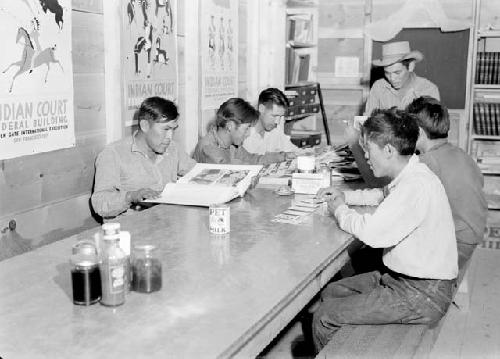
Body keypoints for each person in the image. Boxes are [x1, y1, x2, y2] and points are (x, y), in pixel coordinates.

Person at [312, 108, 458, 352]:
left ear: (389, 150)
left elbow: (371, 233)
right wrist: (345, 195)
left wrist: (339, 209)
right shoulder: (411, 172)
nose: (366, 157)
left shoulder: (415, 185)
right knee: (333, 291)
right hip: (405, 280)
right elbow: (382, 195)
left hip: (423, 293)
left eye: (368, 150)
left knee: (325, 316)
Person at [407, 96, 487, 268]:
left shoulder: (427, 162)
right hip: (471, 237)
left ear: (419, 132)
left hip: (454, 243)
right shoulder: (461, 154)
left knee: (377, 253)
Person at [348, 41, 440, 187]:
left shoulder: (428, 89)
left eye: (397, 72)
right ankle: (379, 189)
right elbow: (368, 123)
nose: (392, 78)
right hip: (386, 149)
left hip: (415, 150)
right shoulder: (379, 87)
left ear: (410, 66)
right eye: (387, 73)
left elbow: (430, 136)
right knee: (353, 134)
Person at [91, 97, 196, 219]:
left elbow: (196, 173)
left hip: (168, 224)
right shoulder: (113, 154)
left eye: (173, 129)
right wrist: (130, 196)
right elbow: (99, 203)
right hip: (130, 231)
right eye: (166, 129)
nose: (170, 136)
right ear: (145, 125)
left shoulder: (173, 148)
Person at [193, 97, 294, 164]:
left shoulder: (232, 145)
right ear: (230, 126)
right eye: (246, 129)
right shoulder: (209, 148)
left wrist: (283, 156)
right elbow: (230, 174)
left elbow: (253, 160)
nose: (248, 133)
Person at [243, 88, 299, 155]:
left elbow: (294, 151)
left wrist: (312, 152)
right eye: (274, 116)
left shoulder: (276, 129)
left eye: (280, 116)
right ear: (261, 109)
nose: (277, 122)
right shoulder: (244, 134)